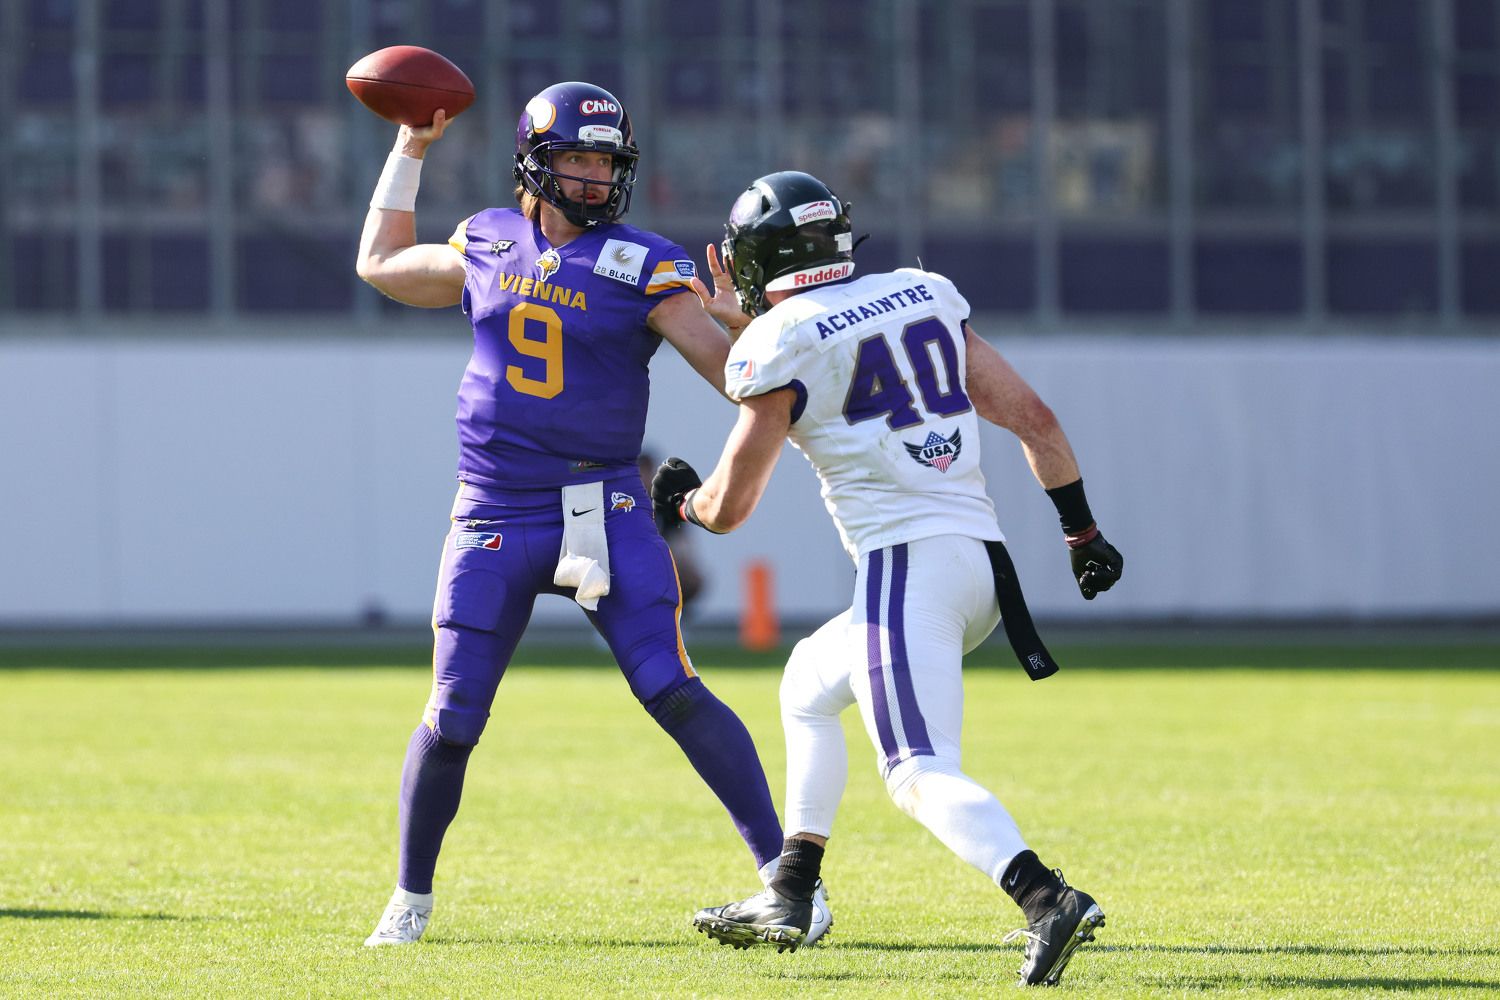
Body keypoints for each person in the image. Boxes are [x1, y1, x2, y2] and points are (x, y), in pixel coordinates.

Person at [352, 83, 829, 947]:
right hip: (494, 507)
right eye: (577, 158)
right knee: (453, 714)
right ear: (537, 162)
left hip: (599, 506)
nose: (595, 177)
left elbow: (740, 380)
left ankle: (788, 884)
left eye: (606, 162)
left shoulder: (646, 264)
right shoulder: (488, 237)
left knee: (672, 688)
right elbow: (381, 262)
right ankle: (409, 899)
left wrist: (751, 325)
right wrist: (410, 146)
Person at [651, 171, 1124, 985]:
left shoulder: (780, 340)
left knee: (916, 771)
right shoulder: (917, 292)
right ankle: (792, 889)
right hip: (980, 564)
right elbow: (1035, 420)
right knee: (807, 683)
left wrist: (683, 504)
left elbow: (730, 508)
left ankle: (1046, 898)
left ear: (759, 260)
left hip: (906, 570)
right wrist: (1082, 532)